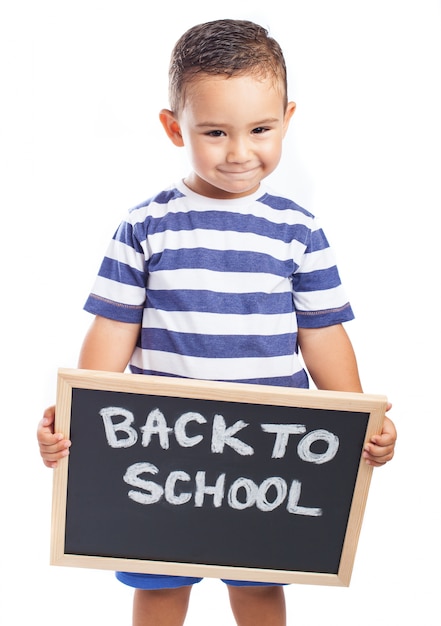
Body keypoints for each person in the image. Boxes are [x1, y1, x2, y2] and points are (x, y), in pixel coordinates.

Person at [37, 18, 397, 626]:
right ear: (175, 128)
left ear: (287, 117)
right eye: (215, 132)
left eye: (261, 129)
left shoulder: (298, 230)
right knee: (158, 584)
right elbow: (113, 328)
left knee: (256, 586)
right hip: (161, 448)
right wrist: (81, 415)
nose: (240, 152)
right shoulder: (146, 225)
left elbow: (323, 333)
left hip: (269, 456)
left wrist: (357, 415)